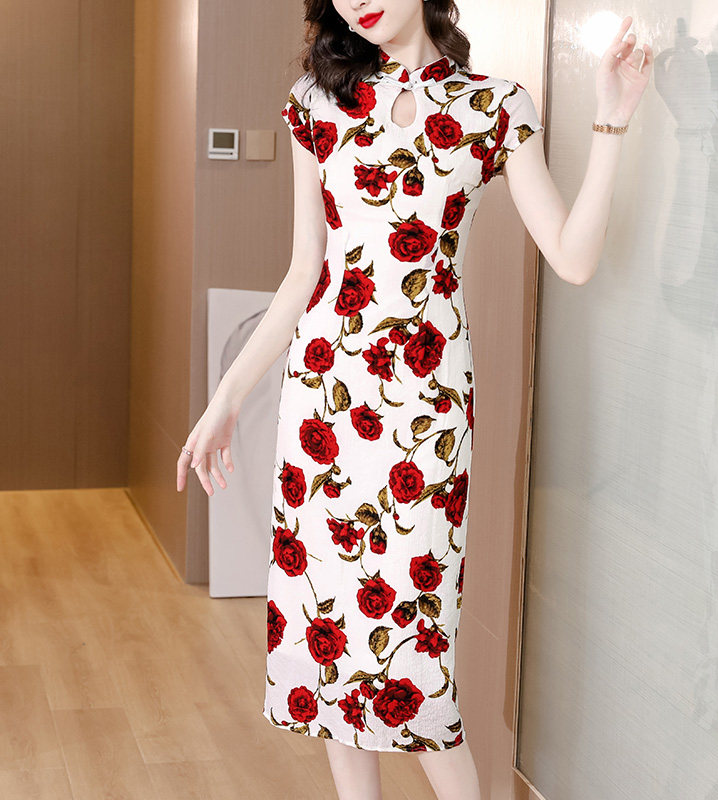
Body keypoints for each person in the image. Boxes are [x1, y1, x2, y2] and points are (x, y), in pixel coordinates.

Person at [177, 1, 651, 798]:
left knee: (417, 663)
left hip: (425, 415)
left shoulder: (493, 106)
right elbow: (305, 271)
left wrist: (612, 120)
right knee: (328, 652)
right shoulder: (315, 102)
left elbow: (572, 258)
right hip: (324, 402)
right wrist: (225, 398)